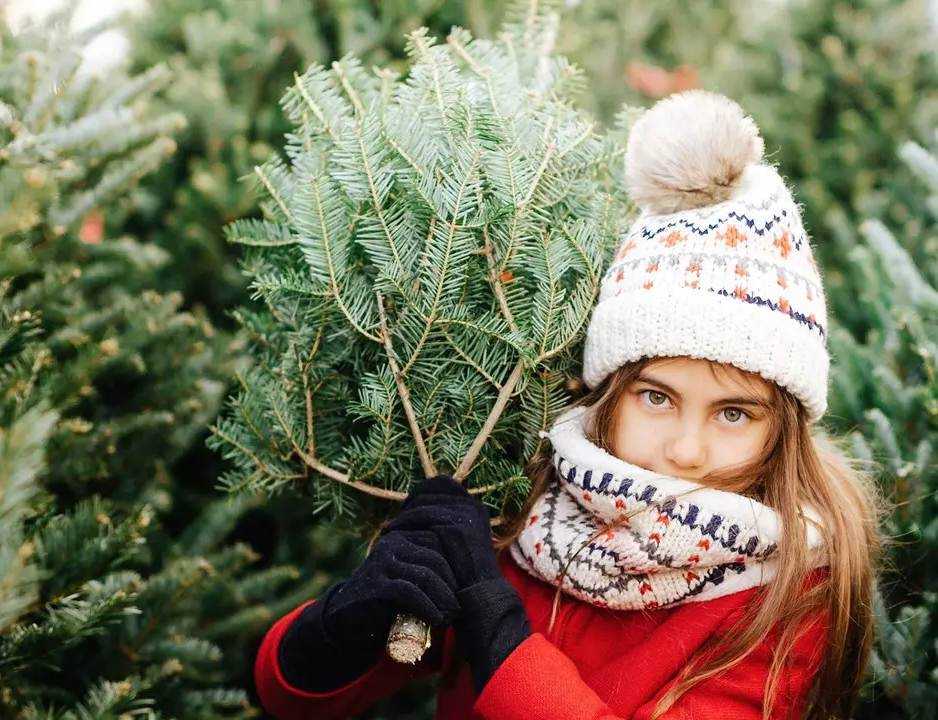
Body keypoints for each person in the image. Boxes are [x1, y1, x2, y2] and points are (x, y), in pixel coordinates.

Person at [253, 89, 883, 720]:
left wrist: (497, 629)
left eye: (733, 413)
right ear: (610, 391)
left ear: (784, 427)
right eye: (657, 397)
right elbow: (292, 694)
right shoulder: (528, 503)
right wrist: (349, 618)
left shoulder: (788, 589)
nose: (686, 451)